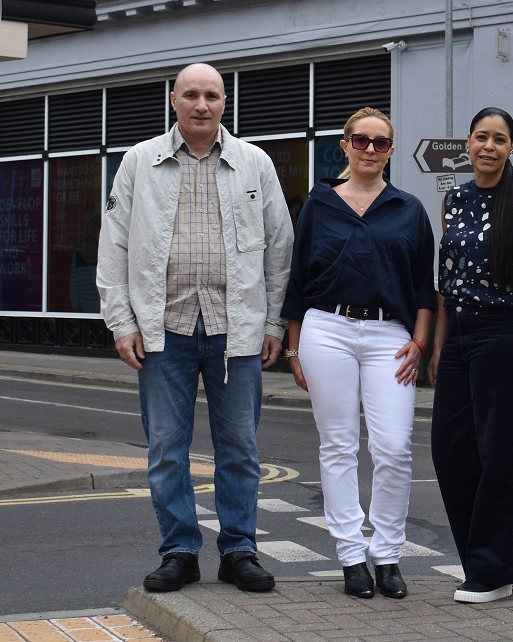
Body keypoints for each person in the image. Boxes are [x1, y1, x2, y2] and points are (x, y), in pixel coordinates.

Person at [97, 63, 294, 593]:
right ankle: (180, 551)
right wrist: (121, 322)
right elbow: (113, 245)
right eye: (191, 95)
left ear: (224, 102)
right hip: (165, 329)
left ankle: (239, 551)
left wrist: (275, 321)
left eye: (211, 95)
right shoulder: (140, 161)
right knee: (166, 448)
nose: (201, 105)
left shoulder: (254, 162)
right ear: (173, 100)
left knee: (239, 449)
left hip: (239, 329)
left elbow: (280, 248)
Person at [281, 107, 436, 600]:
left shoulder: (409, 208)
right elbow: (298, 278)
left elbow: (423, 288)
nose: (371, 150)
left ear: (391, 150)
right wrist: (293, 346)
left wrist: (420, 341)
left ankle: (387, 553)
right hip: (326, 329)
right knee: (338, 446)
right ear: (345, 145)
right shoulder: (319, 204)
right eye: (362, 141)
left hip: (390, 335)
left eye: (381, 143)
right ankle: (351, 555)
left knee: (393, 447)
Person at [426, 107, 513, 603]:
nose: (489, 146)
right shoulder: (454, 199)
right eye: (481, 137)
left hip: (507, 334)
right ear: (468, 142)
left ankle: (493, 571)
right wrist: (439, 345)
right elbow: (446, 277)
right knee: (450, 450)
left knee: (496, 453)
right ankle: (509, 549)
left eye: (500, 139)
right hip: (458, 333)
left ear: (511, 147)